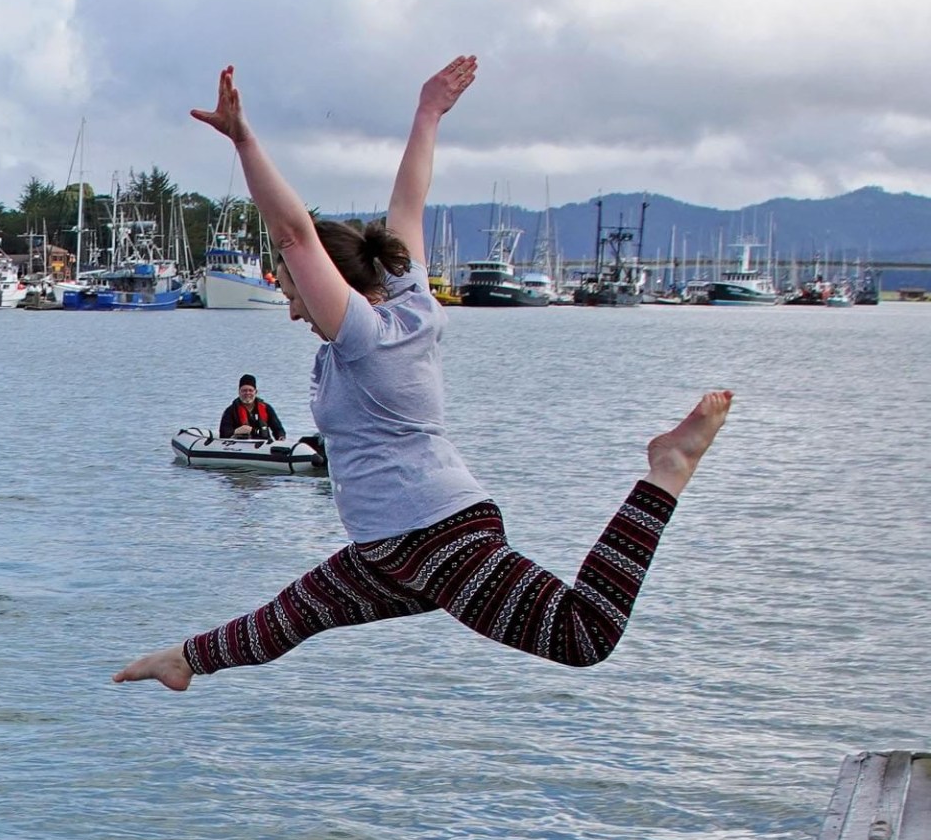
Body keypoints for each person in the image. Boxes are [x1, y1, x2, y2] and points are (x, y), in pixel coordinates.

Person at [113, 57, 733, 692]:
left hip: (428, 537)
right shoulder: (408, 301)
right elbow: (408, 201)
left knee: (584, 633)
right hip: (391, 545)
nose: (293, 308)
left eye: (293, 291)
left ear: (330, 283)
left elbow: (296, 233)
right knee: (289, 619)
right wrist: (427, 112)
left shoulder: (365, 337)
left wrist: (245, 141)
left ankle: (667, 469)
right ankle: (185, 660)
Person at [218, 373, 286, 440]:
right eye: (244, 391)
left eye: (250, 390)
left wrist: (281, 436)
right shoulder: (230, 411)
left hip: (263, 445)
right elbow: (223, 434)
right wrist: (236, 431)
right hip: (241, 445)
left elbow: (278, 428)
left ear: (255, 392)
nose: (247, 393)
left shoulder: (266, 408)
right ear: (239, 392)